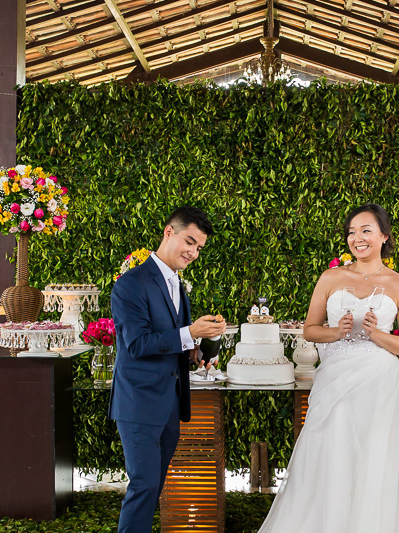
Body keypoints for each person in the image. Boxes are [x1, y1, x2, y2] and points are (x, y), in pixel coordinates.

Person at [257, 203, 399, 532]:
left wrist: (377, 334)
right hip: (335, 378)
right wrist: (336, 332)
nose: (357, 238)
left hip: (379, 382)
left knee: (375, 457)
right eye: (352, 232)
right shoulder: (331, 277)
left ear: (384, 236)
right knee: (331, 451)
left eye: (366, 230)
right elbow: (310, 330)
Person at [109, 206, 226, 533]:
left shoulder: (177, 284)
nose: (193, 252)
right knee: (143, 486)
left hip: (170, 405)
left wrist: (197, 351)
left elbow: (171, 341)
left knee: (152, 487)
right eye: (189, 241)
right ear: (168, 232)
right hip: (138, 403)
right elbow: (138, 344)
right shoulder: (130, 284)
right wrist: (192, 333)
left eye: (199, 248)